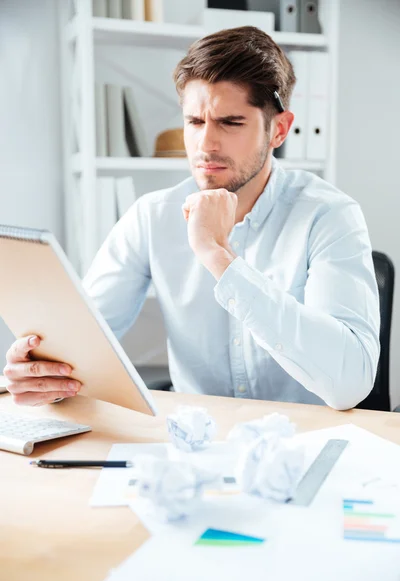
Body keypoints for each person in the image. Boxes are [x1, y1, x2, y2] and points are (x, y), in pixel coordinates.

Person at [3, 26, 380, 410]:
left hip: (307, 445)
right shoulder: (152, 217)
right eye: (195, 122)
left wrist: (218, 257)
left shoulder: (329, 215)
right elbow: (77, 345)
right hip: (196, 448)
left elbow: (350, 384)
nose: (206, 145)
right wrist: (36, 369)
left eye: (231, 123)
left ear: (278, 130)